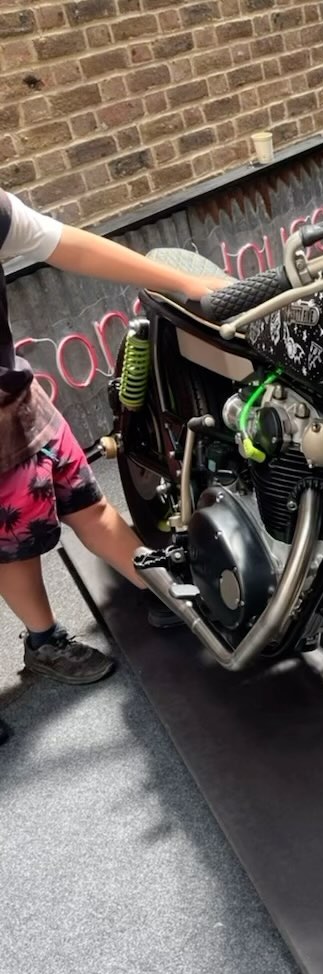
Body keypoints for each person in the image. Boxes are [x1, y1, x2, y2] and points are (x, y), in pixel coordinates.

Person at [0, 187, 225, 688]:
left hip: (18, 399)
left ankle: (169, 591)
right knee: (16, 549)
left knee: (87, 504)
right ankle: (44, 641)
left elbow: (65, 243)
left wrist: (183, 282)